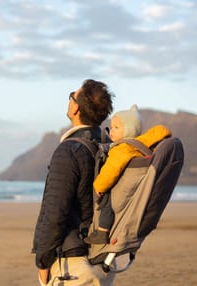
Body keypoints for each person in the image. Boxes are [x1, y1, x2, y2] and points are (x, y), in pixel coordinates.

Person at [32, 79, 116, 286]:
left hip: (73, 265)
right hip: (102, 259)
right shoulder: (109, 148)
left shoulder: (69, 151)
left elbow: (55, 212)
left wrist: (42, 261)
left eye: (72, 95)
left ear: (76, 107)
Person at [85, 104, 171, 244]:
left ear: (129, 129)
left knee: (106, 199)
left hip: (119, 194)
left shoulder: (122, 149)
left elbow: (110, 172)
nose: (111, 131)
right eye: (111, 127)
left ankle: (102, 231)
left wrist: (98, 187)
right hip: (134, 190)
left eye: (116, 128)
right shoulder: (140, 144)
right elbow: (159, 132)